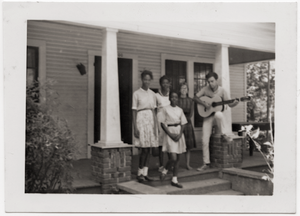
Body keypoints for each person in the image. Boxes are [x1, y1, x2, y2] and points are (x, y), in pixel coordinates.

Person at [193, 72, 239, 171]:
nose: (210, 83)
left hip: (217, 116)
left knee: (219, 114)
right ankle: (206, 163)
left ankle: (224, 134)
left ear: (216, 80)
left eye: (212, 81)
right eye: (208, 82)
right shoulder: (205, 89)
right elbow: (195, 97)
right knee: (204, 140)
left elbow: (230, 104)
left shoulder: (222, 90)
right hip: (208, 116)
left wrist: (235, 103)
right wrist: (204, 104)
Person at [132, 70, 159, 182]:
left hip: (151, 121)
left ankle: (145, 173)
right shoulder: (136, 93)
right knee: (144, 149)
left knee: (149, 149)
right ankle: (139, 174)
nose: (147, 82)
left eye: (149, 79)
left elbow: (154, 111)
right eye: (145, 79)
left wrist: (155, 126)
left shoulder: (153, 94)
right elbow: (134, 111)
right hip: (141, 120)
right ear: (141, 79)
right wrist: (135, 127)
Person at [160, 91, 187, 188]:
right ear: (170, 98)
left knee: (177, 159)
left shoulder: (180, 110)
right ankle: (165, 170)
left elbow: (183, 123)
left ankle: (174, 180)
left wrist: (180, 134)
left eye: (176, 97)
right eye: (172, 97)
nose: (174, 99)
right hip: (170, 133)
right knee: (173, 157)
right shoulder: (165, 109)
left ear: (178, 98)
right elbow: (162, 123)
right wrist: (170, 134)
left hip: (179, 132)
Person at [177, 82, 196, 170]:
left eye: (185, 88)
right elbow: (176, 112)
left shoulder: (191, 100)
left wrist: (185, 119)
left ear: (187, 90)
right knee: (178, 145)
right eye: (182, 88)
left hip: (187, 123)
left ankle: (187, 164)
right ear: (179, 90)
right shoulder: (177, 100)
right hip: (178, 123)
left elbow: (191, 113)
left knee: (188, 146)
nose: (184, 90)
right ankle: (176, 164)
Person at [155, 75, 171, 173]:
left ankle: (170, 164)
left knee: (169, 142)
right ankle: (161, 165)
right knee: (161, 144)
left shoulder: (171, 95)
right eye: (163, 83)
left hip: (169, 120)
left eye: (167, 82)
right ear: (160, 84)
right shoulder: (156, 96)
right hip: (160, 120)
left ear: (169, 84)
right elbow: (154, 110)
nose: (165, 85)